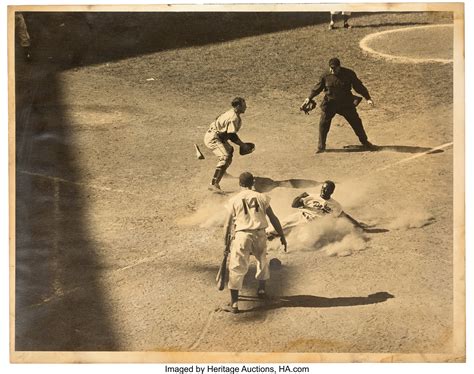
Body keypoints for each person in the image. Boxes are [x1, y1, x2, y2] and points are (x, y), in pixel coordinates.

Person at [223, 172, 287, 313]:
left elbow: (227, 225)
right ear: (252, 183)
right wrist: (282, 235)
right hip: (260, 234)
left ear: (239, 184)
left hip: (242, 235)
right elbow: (273, 218)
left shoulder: (234, 200)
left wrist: (225, 243)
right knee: (262, 261)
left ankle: (234, 304)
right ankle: (262, 290)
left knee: (237, 267)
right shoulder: (261, 197)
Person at [300, 58, 376, 154]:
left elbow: (358, 86)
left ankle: (365, 142)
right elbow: (317, 88)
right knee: (323, 124)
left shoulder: (349, 74)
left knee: (356, 122)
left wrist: (368, 98)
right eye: (331, 68)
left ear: (339, 67)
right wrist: (308, 98)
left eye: (334, 68)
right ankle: (321, 146)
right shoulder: (325, 75)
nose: (332, 70)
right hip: (330, 103)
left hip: (346, 103)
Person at [266, 180, 365, 238]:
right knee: (276, 227)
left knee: (295, 238)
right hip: (300, 216)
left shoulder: (335, 205)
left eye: (326, 189)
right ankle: (260, 238)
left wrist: (358, 225)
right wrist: (300, 196)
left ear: (331, 191)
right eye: (322, 188)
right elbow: (294, 205)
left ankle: (270, 242)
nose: (323, 190)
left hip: (310, 225)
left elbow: (344, 216)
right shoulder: (312, 196)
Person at [204, 97, 249, 192]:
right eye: (244, 105)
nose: (246, 107)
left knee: (229, 150)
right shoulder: (233, 118)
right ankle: (213, 184)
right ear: (238, 106)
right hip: (213, 138)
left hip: (218, 136)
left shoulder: (231, 113)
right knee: (224, 157)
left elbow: (217, 118)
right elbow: (232, 136)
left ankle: (222, 172)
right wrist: (242, 145)